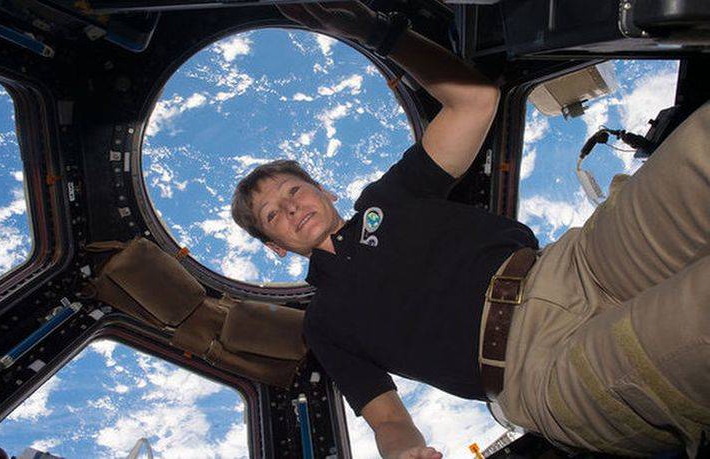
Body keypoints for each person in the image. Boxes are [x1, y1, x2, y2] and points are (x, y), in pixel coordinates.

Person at [231, 2, 710, 458]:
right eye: (272, 215)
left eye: (293, 190)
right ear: (275, 246)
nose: (290, 208)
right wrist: (403, 451)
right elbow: (388, 419)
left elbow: (475, 102)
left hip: (580, 264)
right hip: (537, 370)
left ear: (325, 191)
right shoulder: (324, 324)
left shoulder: (388, 197)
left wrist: (374, 30)